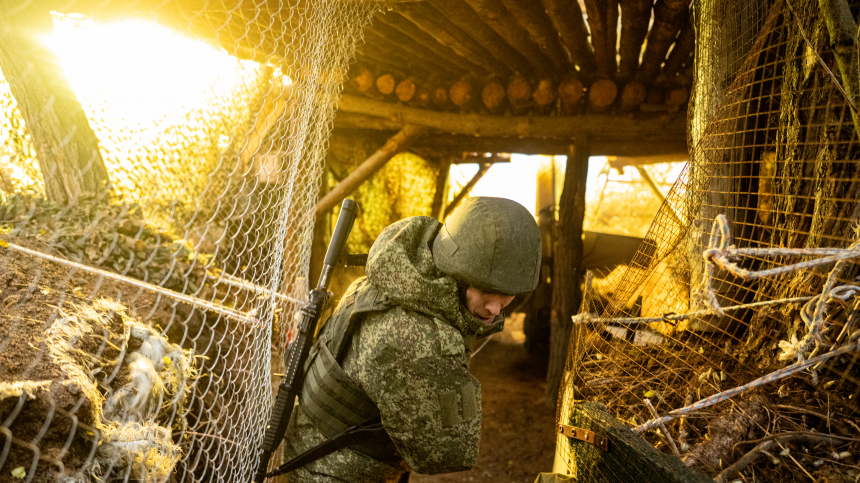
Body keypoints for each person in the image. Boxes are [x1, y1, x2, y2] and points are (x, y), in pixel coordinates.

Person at [282, 196, 541, 482]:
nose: (495, 308)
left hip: (308, 449)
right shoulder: (419, 339)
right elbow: (446, 453)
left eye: (507, 294)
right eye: (484, 290)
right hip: (333, 472)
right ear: (454, 272)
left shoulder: (397, 274)